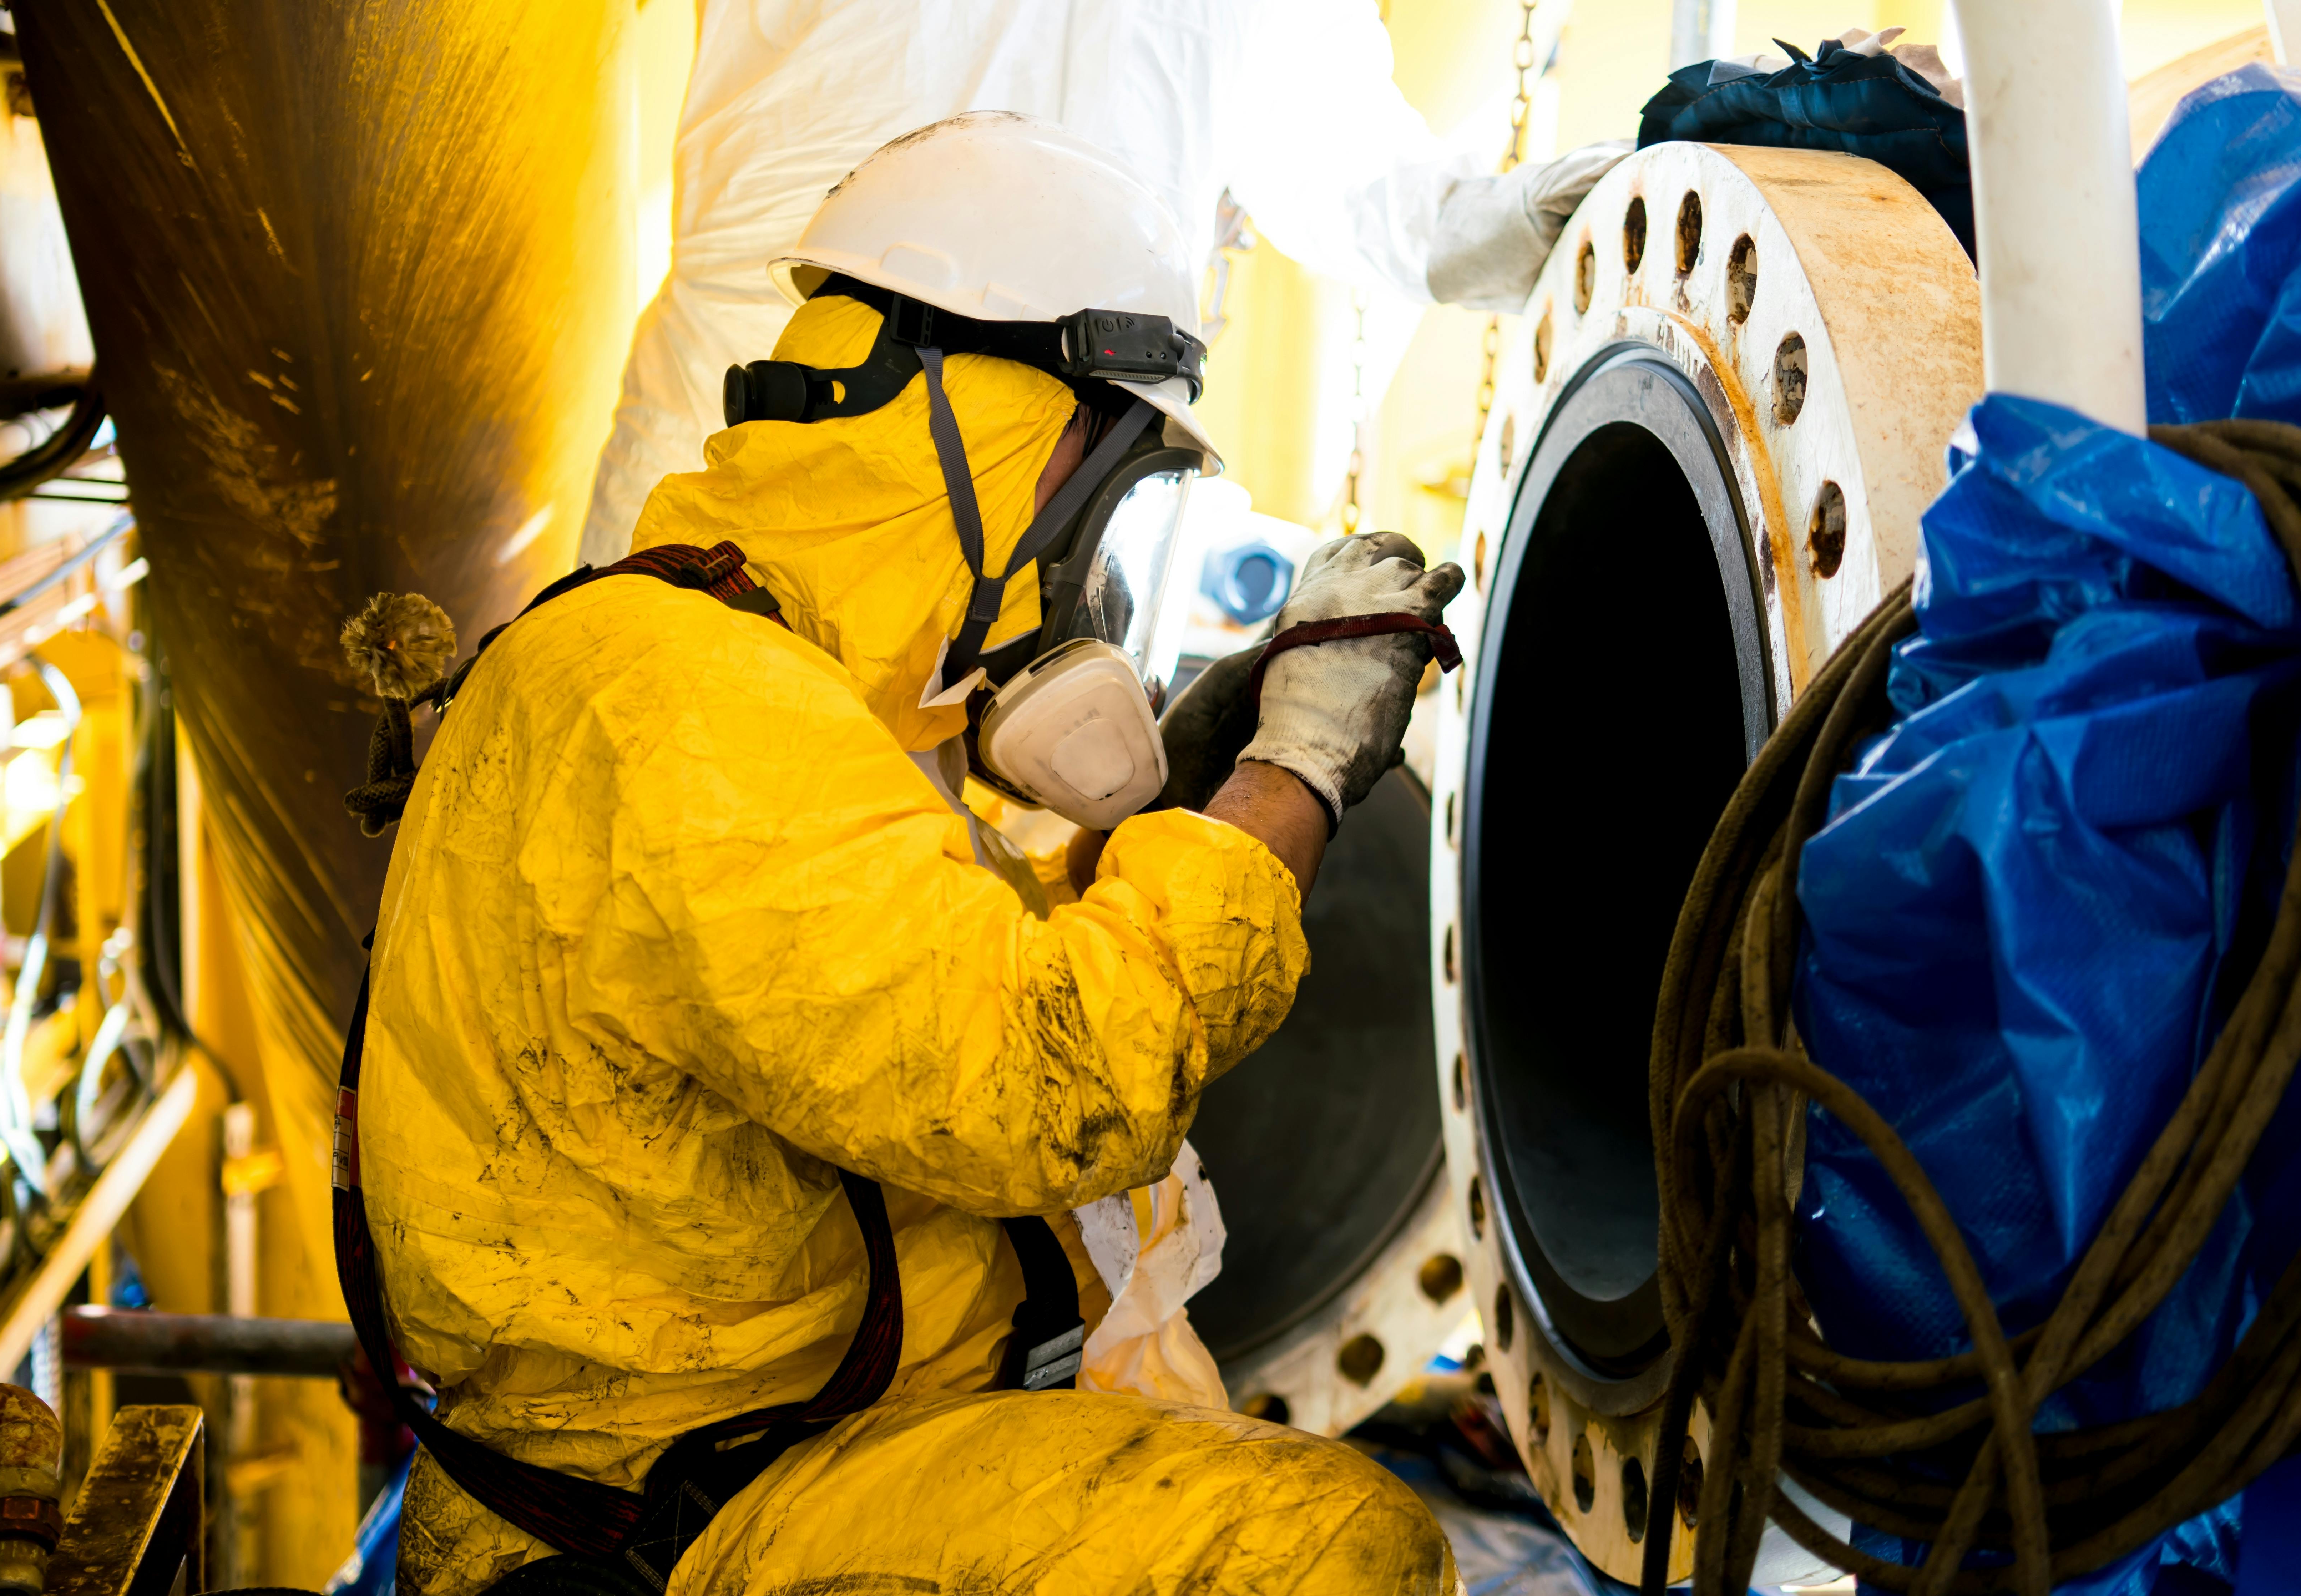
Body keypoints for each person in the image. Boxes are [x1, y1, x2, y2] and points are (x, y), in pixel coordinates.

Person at [346, 114, 1468, 1596]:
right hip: (684, 1519)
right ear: (992, 431)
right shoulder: (685, 705)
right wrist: (1298, 768)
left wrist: (1181, 802)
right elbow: (1055, 1082)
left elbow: (902, 1000)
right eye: (1100, 508)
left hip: (762, 1438)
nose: (1092, 584)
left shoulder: (714, 672)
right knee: (1321, 1554)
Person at [580, 0, 1628, 560]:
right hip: (761, 426)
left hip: (1042, 504)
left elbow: (1348, 168)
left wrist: (1522, 221)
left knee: (954, 918)